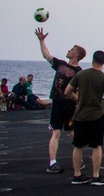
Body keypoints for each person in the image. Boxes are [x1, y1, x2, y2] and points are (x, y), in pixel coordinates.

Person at [64, 50, 104, 186]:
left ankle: (77, 174)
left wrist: (78, 100)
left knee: (78, 145)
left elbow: (67, 92)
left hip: (80, 114)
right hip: (96, 115)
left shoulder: (81, 75)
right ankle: (96, 175)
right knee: (96, 146)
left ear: (93, 60)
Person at [35, 28, 84, 174]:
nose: (69, 50)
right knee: (56, 132)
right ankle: (52, 162)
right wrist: (42, 41)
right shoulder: (61, 64)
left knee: (72, 133)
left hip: (70, 106)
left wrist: (77, 104)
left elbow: (79, 92)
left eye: (71, 49)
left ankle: (78, 160)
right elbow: (47, 55)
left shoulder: (79, 72)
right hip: (57, 104)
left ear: (76, 54)